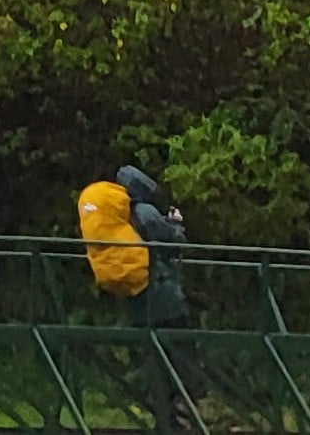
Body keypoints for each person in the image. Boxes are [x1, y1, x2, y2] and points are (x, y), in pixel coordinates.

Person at [116, 164, 202, 435]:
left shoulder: (121, 217)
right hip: (164, 300)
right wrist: (175, 224)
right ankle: (180, 421)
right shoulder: (145, 212)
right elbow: (172, 243)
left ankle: (165, 421)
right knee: (181, 362)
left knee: (157, 367)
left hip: (139, 302)